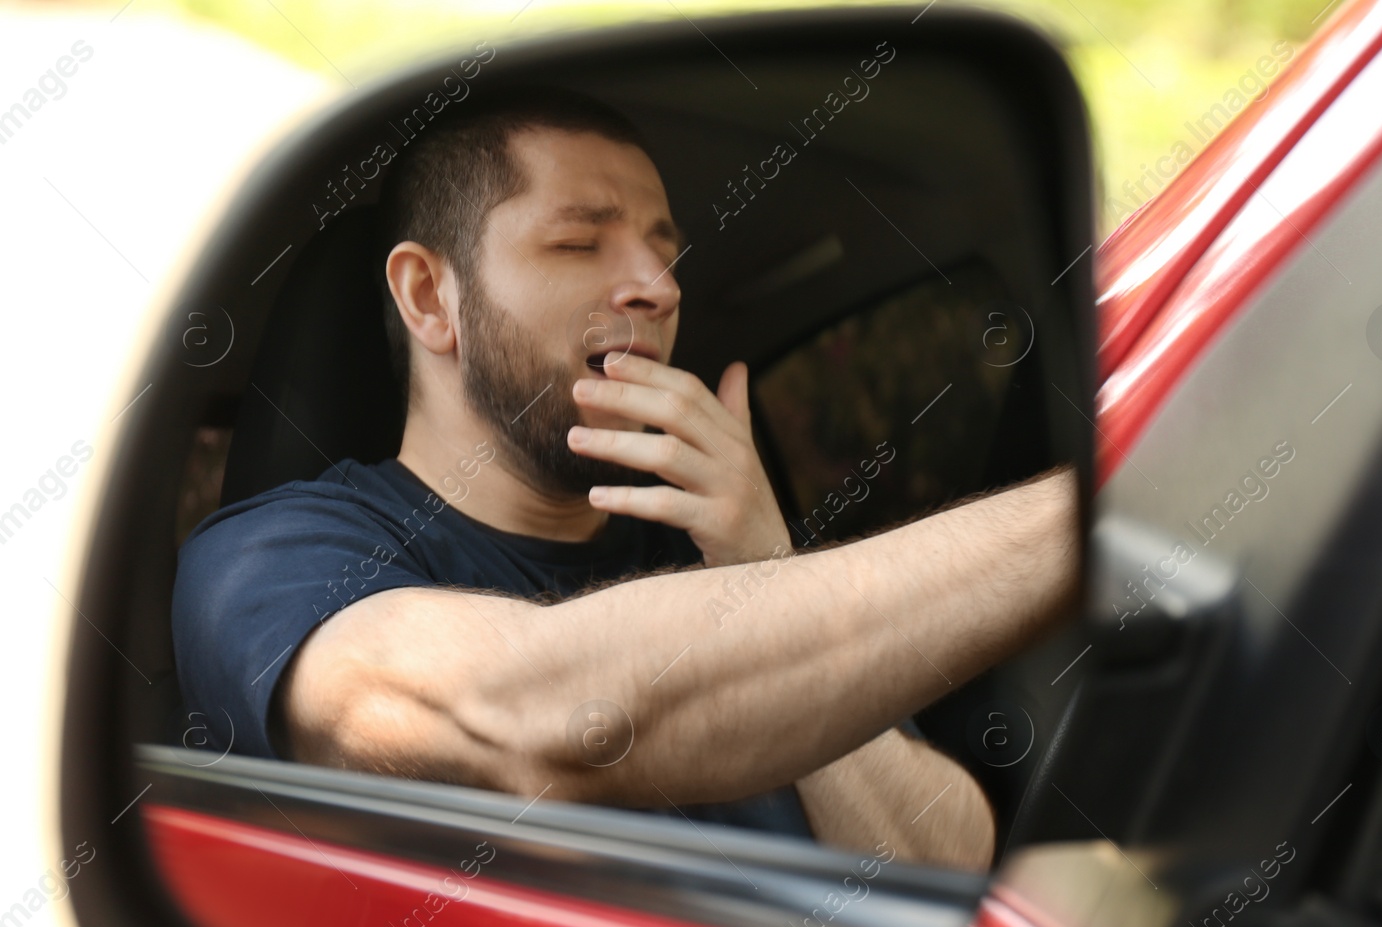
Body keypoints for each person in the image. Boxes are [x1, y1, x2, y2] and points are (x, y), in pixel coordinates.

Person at [170, 91, 1079, 873]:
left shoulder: (706, 551)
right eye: (578, 243)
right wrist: (1085, 524)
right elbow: (537, 717)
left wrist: (763, 563)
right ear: (428, 298)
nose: (658, 285)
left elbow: (947, 861)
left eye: (663, 250)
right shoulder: (269, 563)